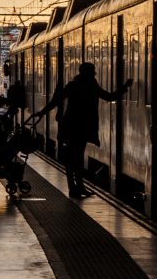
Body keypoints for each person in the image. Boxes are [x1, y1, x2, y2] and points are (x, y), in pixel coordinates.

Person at [32, 62, 132, 198]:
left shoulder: (72, 85)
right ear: (88, 72)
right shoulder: (92, 85)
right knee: (78, 157)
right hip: (84, 126)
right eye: (93, 70)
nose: (95, 73)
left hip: (69, 125)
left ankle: (74, 187)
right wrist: (125, 87)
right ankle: (78, 187)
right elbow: (109, 97)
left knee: (71, 158)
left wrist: (42, 113)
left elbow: (56, 101)